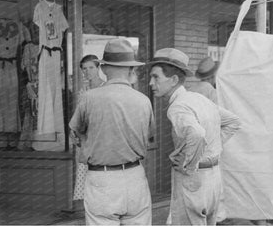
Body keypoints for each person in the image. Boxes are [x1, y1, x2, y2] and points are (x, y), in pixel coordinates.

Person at [148, 48, 241, 225]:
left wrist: (189, 164)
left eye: (156, 77)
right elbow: (234, 122)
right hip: (213, 178)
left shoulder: (178, 107)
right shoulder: (199, 99)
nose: (151, 83)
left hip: (194, 180)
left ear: (174, 80)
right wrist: (211, 149)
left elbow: (197, 134)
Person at [69, 38, 155, 225]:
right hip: (135, 176)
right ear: (131, 70)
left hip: (102, 179)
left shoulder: (89, 98)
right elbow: (149, 137)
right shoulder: (144, 101)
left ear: (104, 68)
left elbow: (75, 134)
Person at [72, 55, 105, 203]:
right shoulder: (83, 91)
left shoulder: (106, 88)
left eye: (91, 67)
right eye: (84, 69)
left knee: (101, 178)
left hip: (102, 138)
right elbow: (79, 116)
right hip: (86, 138)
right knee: (86, 176)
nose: (87, 71)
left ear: (98, 68)